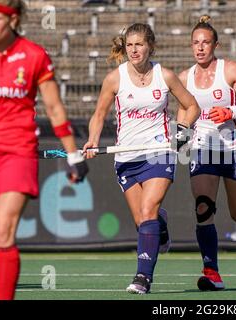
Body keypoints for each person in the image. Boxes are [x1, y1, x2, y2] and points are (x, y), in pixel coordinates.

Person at [0, 0, 88, 300]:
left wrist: (73, 154)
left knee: (3, 232)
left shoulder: (33, 55)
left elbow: (53, 108)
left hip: (17, 153)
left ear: (13, 20)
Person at [83, 23, 200, 294]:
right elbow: (99, 114)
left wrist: (183, 131)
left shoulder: (165, 76)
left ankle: (142, 278)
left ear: (151, 46)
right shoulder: (115, 78)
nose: (134, 50)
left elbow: (191, 105)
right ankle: (161, 223)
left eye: (139, 44)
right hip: (126, 156)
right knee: (143, 220)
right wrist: (92, 140)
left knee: (147, 210)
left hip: (159, 153)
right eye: (130, 45)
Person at [177, 15, 236, 291]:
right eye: (195, 43)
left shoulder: (230, 70)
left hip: (234, 150)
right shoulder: (184, 78)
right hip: (203, 150)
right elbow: (183, 114)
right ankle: (211, 272)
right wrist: (180, 135)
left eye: (206, 42)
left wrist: (232, 109)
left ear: (215, 44)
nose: (200, 47)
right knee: (203, 207)